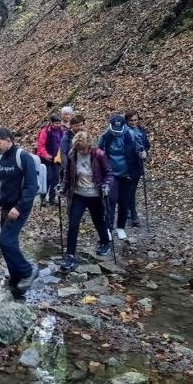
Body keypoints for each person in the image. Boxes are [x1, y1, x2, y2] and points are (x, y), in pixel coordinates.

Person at [0, 127, 40, 297]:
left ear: (9, 140)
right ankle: (15, 277)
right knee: (9, 242)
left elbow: (32, 186)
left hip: (20, 207)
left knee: (5, 241)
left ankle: (28, 271)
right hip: (6, 206)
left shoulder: (22, 157)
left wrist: (19, 207)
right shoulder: (1, 158)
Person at [59, 131, 114, 271]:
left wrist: (106, 185)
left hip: (95, 195)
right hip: (78, 195)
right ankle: (70, 255)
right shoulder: (73, 154)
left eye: (84, 148)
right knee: (73, 224)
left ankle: (105, 242)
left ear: (90, 145)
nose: (82, 151)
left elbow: (109, 173)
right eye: (79, 149)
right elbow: (68, 174)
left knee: (98, 221)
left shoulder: (99, 154)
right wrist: (63, 188)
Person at [98, 115, 143, 241]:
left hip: (126, 173)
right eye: (114, 129)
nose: (116, 132)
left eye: (119, 129)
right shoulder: (105, 137)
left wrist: (142, 153)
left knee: (124, 202)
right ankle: (108, 228)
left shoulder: (130, 135)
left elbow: (139, 148)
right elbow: (98, 151)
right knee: (110, 200)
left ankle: (120, 227)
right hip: (111, 174)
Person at [125, 110, 151, 227]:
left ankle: (130, 211)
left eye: (136, 120)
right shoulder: (123, 132)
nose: (134, 122)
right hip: (126, 164)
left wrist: (145, 152)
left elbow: (146, 144)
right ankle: (132, 213)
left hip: (137, 164)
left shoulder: (141, 131)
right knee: (128, 189)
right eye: (131, 120)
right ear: (127, 121)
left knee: (132, 189)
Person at [36, 114, 65, 206]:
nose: (58, 125)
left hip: (57, 158)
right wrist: (45, 155)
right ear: (51, 123)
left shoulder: (61, 131)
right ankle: (43, 198)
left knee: (56, 179)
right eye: (56, 123)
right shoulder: (45, 131)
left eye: (59, 123)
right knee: (47, 178)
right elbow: (41, 145)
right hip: (46, 159)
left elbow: (62, 143)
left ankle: (52, 198)